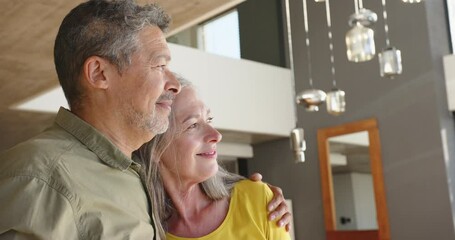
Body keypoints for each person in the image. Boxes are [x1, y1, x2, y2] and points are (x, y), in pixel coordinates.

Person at [0, 0, 290, 239]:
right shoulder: (37, 179)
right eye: (160, 65)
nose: (174, 83)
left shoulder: (133, 177)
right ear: (100, 74)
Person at [138, 77, 291, 240]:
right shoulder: (145, 232)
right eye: (193, 125)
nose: (216, 135)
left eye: (209, 119)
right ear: (154, 148)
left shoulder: (258, 199)